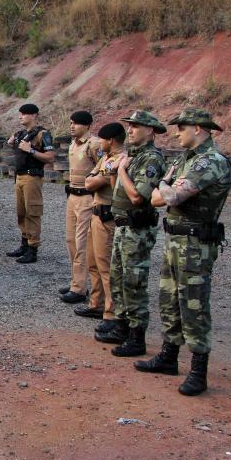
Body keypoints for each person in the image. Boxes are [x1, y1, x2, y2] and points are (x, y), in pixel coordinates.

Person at [135, 109, 231, 396]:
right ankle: (168, 357)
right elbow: (154, 199)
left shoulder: (210, 162)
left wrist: (166, 186)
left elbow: (173, 196)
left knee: (193, 306)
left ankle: (198, 372)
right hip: (175, 241)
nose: (176, 132)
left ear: (199, 129)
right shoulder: (183, 160)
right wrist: (167, 188)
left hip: (196, 246)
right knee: (169, 301)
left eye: (182, 128)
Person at [94, 110, 166, 357]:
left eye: (137, 126)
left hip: (137, 229)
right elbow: (118, 192)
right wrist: (117, 172)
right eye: (130, 126)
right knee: (118, 279)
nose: (131, 130)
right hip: (123, 226)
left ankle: (137, 338)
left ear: (151, 131)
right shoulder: (134, 157)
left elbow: (137, 197)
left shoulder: (151, 159)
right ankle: (122, 326)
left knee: (134, 283)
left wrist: (121, 170)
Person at [78, 122, 127, 323]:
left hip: (108, 217)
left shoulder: (122, 159)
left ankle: (111, 313)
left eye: (102, 140)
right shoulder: (107, 158)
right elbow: (88, 182)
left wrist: (102, 176)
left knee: (107, 267)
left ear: (111, 141)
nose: (99, 144)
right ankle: (96, 304)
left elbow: (95, 181)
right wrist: (102, 175)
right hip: (96, 214)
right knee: (93, 263)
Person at [60, 111, 104, 304]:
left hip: (86, 198)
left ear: (86, 126)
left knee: (81, 243)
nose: (72, 126)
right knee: (70, 241)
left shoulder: (93, 144)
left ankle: (79, 289)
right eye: (71, 123)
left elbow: (103, 169)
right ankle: (76, 282)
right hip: (72, 196)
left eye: (76, 123)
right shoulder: (73, 144)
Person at [5, 103, 54, 264]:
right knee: (21, 212)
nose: (20, 116)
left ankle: (33, 249)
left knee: (32, 212)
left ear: (34, 116)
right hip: (19, 177)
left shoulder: (42, 134)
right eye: (20, 113)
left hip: (32, 178)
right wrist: (12, 141)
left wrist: (31, 150)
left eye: (24, 114)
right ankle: (24, 244)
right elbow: (12, 145)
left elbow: (50, 157)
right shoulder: (20, 133)